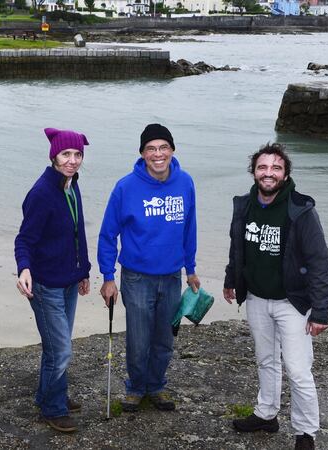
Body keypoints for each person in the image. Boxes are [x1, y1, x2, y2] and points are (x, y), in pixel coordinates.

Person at [223, 143, 328, 450]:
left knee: (298, 370)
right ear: (254, 171)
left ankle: (305, 433)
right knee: (266, 360)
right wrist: (231, 278)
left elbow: (320, 264)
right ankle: (266, 414)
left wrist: (321, 311)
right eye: (262, 167)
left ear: (285, 174)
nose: (268, 173)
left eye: (276, 168)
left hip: (293, 303)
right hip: (257, 298)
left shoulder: (301, 210)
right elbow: (238, 247)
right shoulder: (244, 205)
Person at [98, 123, 199, 412]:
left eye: (163, 147)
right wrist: (108, 277)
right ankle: (136, 387)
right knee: (139, 339)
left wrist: (190, 268)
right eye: (151, 149)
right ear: (142, 153)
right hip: (137, 278)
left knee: (164, 339)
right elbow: (107, 235)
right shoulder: (125, 187)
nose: (158, 154)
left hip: (171, 277)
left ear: (172, 150)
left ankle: (156, 386)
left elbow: (189, 228)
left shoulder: (185, 182)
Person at [14, 128, 92, 433]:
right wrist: (24, 268)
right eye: (66, 155)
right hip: (46, 285)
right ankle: (52, 407)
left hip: (69, 281)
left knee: (55, 347)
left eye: (77, 155)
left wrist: (83, 270)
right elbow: (25, 239)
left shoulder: (71, 186)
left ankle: (52, 393)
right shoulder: (42, 192)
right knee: (61, 350)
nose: (72, 161)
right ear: (54, 156)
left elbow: (77, 233)